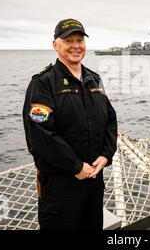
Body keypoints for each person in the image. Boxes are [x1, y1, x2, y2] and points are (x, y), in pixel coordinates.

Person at [23, 18, 117, 230]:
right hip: (61, 186)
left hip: (94, 180)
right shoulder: (43, 82)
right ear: (55, 44)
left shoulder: (94, 79)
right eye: (68, 40)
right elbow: (39, 134)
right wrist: (75, 166)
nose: (76, 46)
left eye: (80, 40)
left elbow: (110, 120)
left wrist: (105, 154)